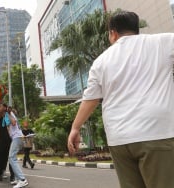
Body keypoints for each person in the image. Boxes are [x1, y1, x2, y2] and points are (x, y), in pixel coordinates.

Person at [67, 11, 174, 188]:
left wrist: (75, 128)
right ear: (136, 29)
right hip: (156, 133)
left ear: (113, 33)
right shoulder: (163, 42)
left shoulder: (101, 61)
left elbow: (91, 99)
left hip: (119, 139)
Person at [0, 103, 29, 188]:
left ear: (4, 108)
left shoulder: (9, 113)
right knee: (13, 158)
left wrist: (8, 113)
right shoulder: (5, 115)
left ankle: (22, 179)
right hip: (16, 138)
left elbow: (13, 122)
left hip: (17, 137)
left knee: (11, 158)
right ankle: (18, 179)